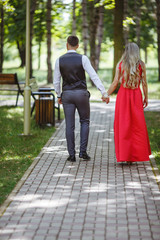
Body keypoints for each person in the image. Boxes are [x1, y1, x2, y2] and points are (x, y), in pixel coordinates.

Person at [54, 35, 108, 162]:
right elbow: (93, 76)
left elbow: (56, 81)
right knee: (85, 121)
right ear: (77, 46)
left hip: (67, 94)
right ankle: (83, 152)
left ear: (67, 44)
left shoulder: (59, 60)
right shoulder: (83, 58)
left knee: (69, 125)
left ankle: (71, 155)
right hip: (81, 94)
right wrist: (103, 91)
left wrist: (58, 95)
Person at [103, 42, 151, 163]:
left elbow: (115, 83)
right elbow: (144, 83)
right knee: (137, 125)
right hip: (136, 95)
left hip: (123, 96)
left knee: (124, 124)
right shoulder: (141, 65)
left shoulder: (121, 65)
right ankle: (133, 156)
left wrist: (106, 94)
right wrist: (146, 97)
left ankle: (125, 155)